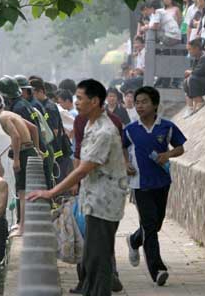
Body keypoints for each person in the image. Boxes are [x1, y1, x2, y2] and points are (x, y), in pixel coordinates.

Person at [27, 79, 128, 296]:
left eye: (80, 98)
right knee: (90, 257)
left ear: (94, 101)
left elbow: (83, 169)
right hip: (92, 198)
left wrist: (51, 192)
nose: (76, 102)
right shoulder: (89, 123)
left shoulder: (104, 131)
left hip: (105, 202)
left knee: (99, 259)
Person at [124, 86, 186, 287]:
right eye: (137, 102)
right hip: (140, 184)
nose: (139, 106)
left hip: (162, 182)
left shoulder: (166, 127)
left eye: (144, 102)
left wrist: (167, 155)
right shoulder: (130, 130)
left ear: (155, 105)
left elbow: (180, 148)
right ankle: (158, 269)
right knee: (150, 225)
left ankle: (134, 240)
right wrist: (126, 163)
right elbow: (121, 148)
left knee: (156, 224)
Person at [69, 108, 125, 294]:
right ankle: (89, 280)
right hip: (89, 188)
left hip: (104, 191)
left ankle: (105, 277)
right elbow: (78, 151)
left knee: (97, 237)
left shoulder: (112, 124)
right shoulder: (80, 120)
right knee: (89, 236)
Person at [0, 93, 42, 236]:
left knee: (22, 192)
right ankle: (23, 225)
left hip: (23, 154)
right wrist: (37, 149)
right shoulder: (10, 113)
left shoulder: (3, 118)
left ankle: (22, 228)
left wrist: (16, 159)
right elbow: (33, 128)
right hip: (29, 151)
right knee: (25, 191)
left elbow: (16, 136)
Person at [183, 37, 205, 117]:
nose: (189, 52)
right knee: (187, 80)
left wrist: (190, 72)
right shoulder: (196, 58)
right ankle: (190, 107)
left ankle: (199, 102)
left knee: (192, 79)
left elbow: (199, 72)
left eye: (190, 49)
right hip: (201, 80)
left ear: (197, 48)